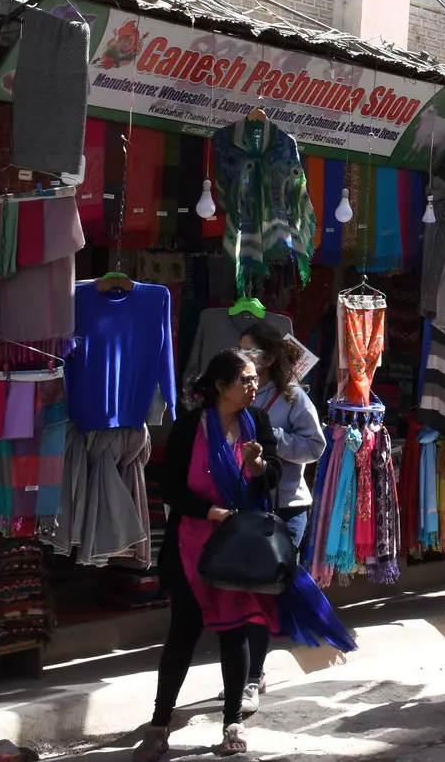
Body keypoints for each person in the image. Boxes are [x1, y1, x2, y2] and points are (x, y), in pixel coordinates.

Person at [137, 350, 281, 760]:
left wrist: (257, 467)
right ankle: (160, 723)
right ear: (221, 386)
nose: (254, 386)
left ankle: (232, 721)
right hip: (193, 544)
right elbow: (171, 489)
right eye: (246, 380)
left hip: (238, 546)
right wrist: (209, 512)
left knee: (234, 630)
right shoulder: (188, 428)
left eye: (257, 379)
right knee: (183, 632)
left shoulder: (260, 423)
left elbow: (273, 478)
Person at [235, 319, 326, 711]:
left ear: (269, 358)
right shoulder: (236, 394)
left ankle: (252, 678)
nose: (244, 359)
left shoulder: (293, 399)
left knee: (264, 591)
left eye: (251, 352)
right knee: (246, 592)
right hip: (246, 505)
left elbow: (315, 446)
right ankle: (249, 673)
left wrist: (273, 443)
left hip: (287, 505)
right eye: (239, 352)